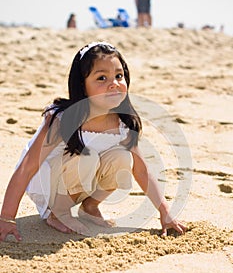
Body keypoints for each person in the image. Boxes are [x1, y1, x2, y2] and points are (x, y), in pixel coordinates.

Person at [0, 41, 186, 242]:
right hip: (49, 185)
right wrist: (7, 218)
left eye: (119, 76)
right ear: (83, 85)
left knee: (122, 158)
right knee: (87, 159)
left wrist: (164, 211)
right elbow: (27, 167)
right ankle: (57, 213)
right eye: (101, 78)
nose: (113, 83)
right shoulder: (64, 119)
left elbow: (141, 170)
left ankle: (90, 207)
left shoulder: (123, 123)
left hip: (80, 183)